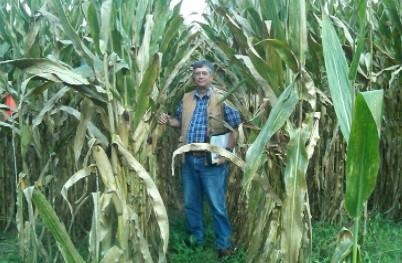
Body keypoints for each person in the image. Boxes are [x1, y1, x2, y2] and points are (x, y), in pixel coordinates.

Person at [159, 60, 241, 258]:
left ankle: (224, 244)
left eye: (204, 73)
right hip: (189, 159)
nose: (201, 76)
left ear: (211, 76)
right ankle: (196, 239)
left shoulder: (222, 98)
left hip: (212, 161)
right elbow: (181, 122)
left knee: (217, 204)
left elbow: (236, 127)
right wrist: (169, 121)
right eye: (197, 74)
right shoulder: (187, 99)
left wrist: (226, 152)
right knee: (191, 203)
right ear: (194, 77)